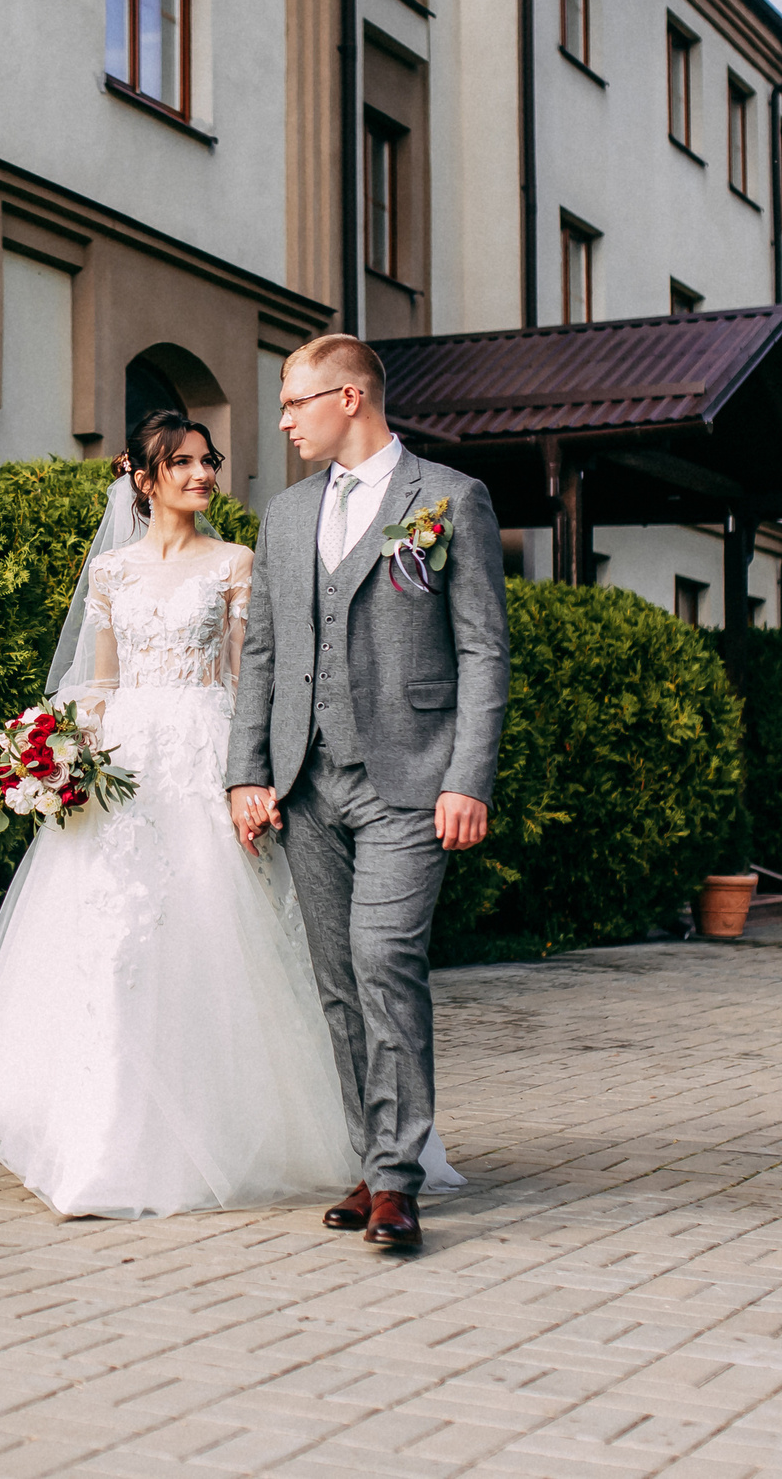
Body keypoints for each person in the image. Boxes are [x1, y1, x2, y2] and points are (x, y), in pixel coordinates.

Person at [0, 410, 364, 1218]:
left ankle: (227, 1129)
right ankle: (101, 1141)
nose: (201, 474)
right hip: (127, 768)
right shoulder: (110, 573)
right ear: (143, 480)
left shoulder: (236, 563)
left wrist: (252, 778)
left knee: (211, 937)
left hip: (207, 753)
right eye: (180, 463)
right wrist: (61, 759)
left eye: (207, 460)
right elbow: (99, 683)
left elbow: (257, 680)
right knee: (115, 939)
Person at [226, 333, 510, 1250]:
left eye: (295, 401)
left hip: (410, 781)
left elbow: (482, 651)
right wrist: (246, 772)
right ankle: (371, 1155)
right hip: (308, 785)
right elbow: (261, 655)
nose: (283, 420)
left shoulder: (450, 499)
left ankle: (397, 1179)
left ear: (350, 397)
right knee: (338, 981)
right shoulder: (283, 516)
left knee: (385, 958)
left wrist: (469, 777)